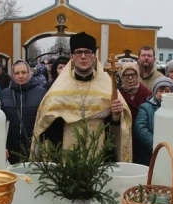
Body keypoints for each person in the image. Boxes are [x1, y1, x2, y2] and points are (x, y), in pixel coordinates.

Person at [31, 32, 132, 162]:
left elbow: (117, 128)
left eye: (88, 52)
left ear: (94, 55)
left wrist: (116, 116)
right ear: (72, 56)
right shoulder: (58, 90)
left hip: (99, 155)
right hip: (66, 157)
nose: (83, 56)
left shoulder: (107, 86)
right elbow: (45, 125)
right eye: (78, 52)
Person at [0, 60, 46, 164]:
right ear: (13, 74)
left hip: (34, 147)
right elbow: (0, 124)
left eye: (24, 72)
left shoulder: (41, 92)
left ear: (29, 73)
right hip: (11, 148)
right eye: (17, 73)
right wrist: (3, 147)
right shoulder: (5, 94)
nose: (20, 76)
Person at [134, 77, 173, 165]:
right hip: (149, 154)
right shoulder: (145, 107)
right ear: (155, 92)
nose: (164, 94)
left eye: (167, 91)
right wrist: (156, 145)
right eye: (160, 90)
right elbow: (140, 128)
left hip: (171, 152)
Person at [118, 62, 151, 164]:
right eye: (126, 75)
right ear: (121, 76)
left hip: (141, 140)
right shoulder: (117, 94)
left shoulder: (146, 93)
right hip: (123, 136)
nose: (130, 78)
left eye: (133, 74)